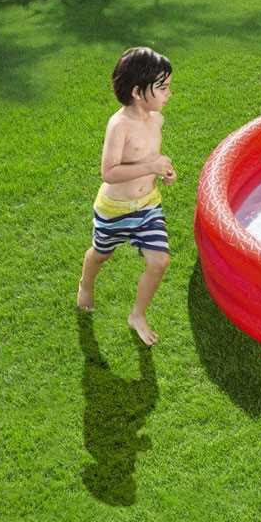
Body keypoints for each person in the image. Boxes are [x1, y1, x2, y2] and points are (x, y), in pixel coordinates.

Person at [76, 47, 175, 346]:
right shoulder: (119, 125)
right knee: (101, 254)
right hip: (115, 210)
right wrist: (150, 166)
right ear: (137, 92)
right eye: (163, 88)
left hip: (148, 205)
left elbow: (151, 157)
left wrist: (164, 171)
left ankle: (137, 315)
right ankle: (86, 284)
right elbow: (109, 172)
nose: (169, 94)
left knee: (159, 261)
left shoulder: (156, 119)